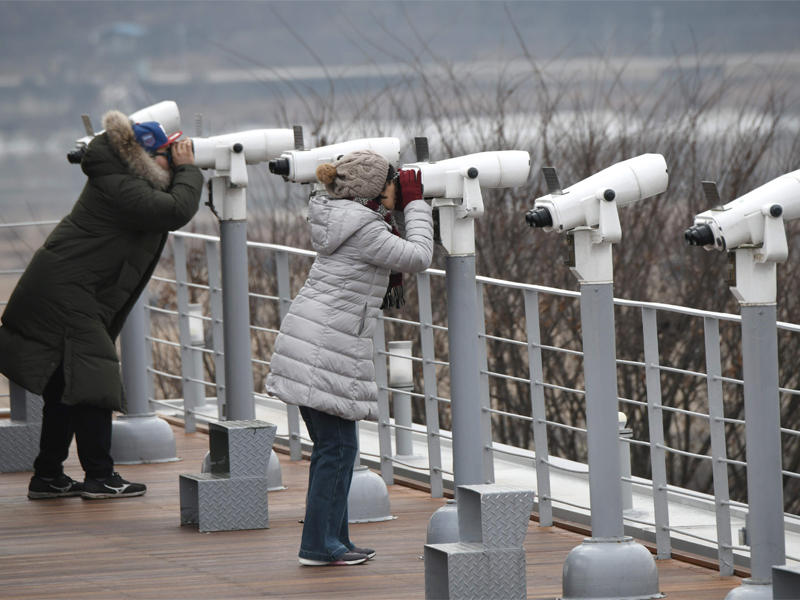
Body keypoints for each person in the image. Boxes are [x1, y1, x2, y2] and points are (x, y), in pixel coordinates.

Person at [0, 110, 203, 500]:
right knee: (93, 382)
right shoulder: (123, 186)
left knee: (65, 383)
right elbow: (175, 210)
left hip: (68, 289)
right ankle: (100, 476)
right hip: (68, 293)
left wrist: (178, 168)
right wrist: (190, 170)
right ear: (143, 158)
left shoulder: (118, 178)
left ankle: (48, 476)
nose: (173, 161)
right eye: (167, 154)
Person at [266, 150, 433, 566]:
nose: (398, 189)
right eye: (395, 183)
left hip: (319, 340)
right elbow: (418, 257)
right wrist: (416, 205)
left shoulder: (348, 218)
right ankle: (319, 545)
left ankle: (335, 539)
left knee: (338, 446)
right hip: (324, 345)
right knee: (336, 449)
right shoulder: (364, 229)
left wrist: (406, 204)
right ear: (377, 191)